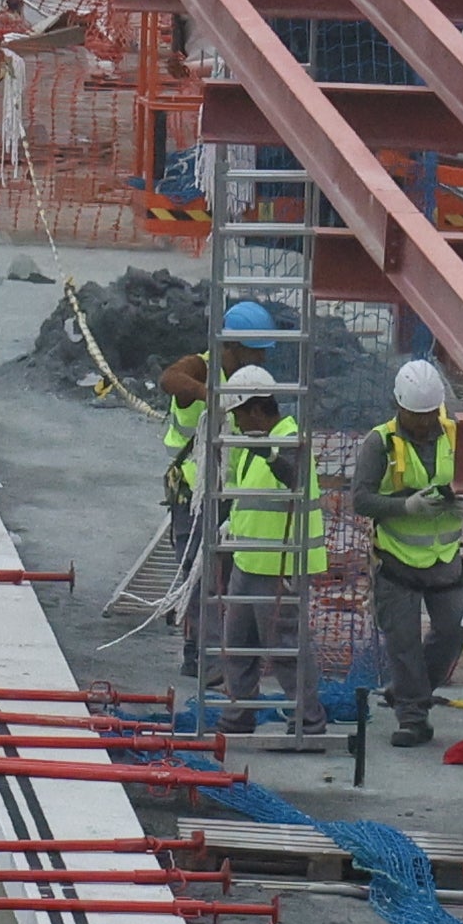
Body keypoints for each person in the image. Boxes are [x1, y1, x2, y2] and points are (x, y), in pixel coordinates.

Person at [353, 357, 463, 744]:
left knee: (453, 631)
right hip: (397, 563)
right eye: (415, 415)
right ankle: (413, 716)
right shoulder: (380, 443)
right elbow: (361, 499)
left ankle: (409, 690)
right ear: (399, 406)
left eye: (429, 414)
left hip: (445, 562)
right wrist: (405, 506)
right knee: (402, 643)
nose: (424, 423)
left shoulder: (454, 435)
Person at [164, 301, 279, 673]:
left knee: (228, 577)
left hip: (232, 495)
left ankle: (226, 651)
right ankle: (197, 654)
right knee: (199, 577)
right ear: (229, 346)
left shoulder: (250, 378)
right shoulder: (202, 367)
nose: (259, 361)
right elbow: (171, 379)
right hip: (195, 497)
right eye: (252, 352)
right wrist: (209, 393)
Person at [213, 372, 323, 734]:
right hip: (249, 560)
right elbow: (252, 497)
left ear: (256, 411)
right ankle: (239, 714)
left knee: (285, 648)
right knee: (238, 645)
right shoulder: (254, 444)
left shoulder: (290, 439)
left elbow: (295, 477)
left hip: (280, 565)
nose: (237, 424)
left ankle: (308, 720)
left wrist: (271, 455)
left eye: (240, 416)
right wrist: (233, 524)